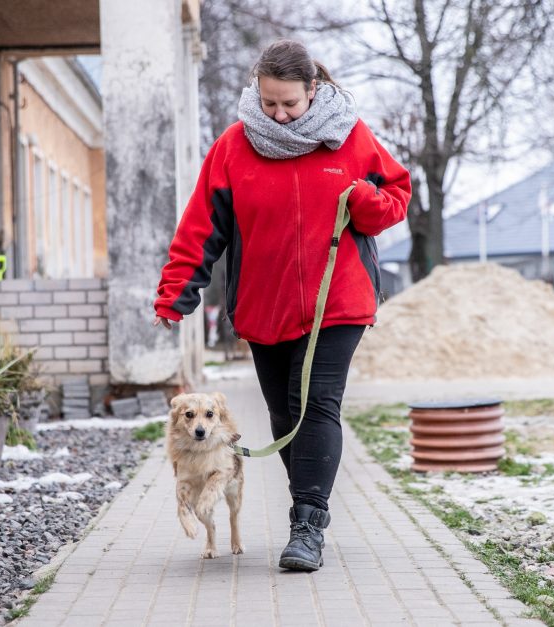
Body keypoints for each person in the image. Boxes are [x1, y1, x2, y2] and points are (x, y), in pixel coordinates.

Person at [152, 39, 411, 571]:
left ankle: (308, 524)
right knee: (283, 414)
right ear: (258, 90)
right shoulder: (234, 146)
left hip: (336, 303)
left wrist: (364, 201)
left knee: (316, 405)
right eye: (269, 102)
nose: (279, 113)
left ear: (313, 90)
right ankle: (306, 514)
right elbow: (203, 227)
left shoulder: (350, 137)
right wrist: (178, 292)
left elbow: (397, 198)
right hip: (264, 308)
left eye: (290, 103)